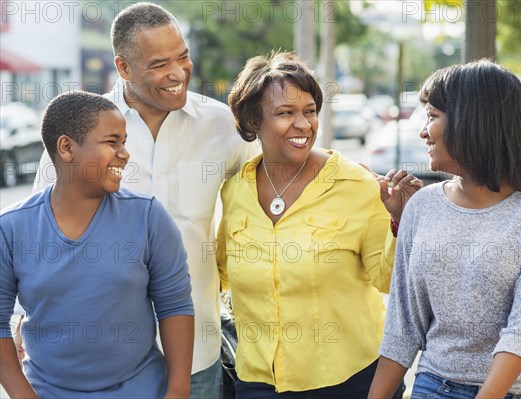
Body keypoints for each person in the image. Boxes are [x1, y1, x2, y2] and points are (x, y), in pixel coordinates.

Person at [32, 3, 257, 397]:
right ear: (123, 68)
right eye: (158, 64)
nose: (177, 73)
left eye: (183, 57)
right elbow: (38, 233)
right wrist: (22, 318)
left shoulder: (222, 126)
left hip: (195, 357)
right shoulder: (81, 130)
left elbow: (274, 192)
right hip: (99, 361)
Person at [217, 51, 420, 398]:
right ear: (253, 121)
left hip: (351, 380)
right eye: (285, 113)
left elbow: (387, 279)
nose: (303, 124)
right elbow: (221, 272)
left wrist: (401, 220)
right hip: (261, 381)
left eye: (309, 111)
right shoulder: (234, 190)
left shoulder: (355, 183)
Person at [368, 60, 521, 399]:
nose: (423, 131)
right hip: (434, 384)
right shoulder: (421, 205)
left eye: (432, 116)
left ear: (472, 120)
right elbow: (403, 328)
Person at [0, 91, 194, 398]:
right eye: (111, 142)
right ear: (66, 148)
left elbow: (175, 306)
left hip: (143, 389)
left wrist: (178, 390)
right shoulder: (11, 229)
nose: (125, 153)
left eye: (124, 142)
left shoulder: (147, 216)